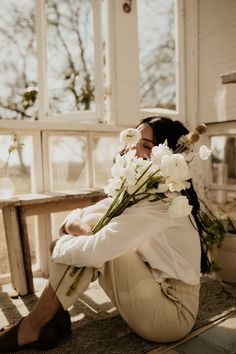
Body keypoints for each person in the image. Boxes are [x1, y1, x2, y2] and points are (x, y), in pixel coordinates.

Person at [0, 116, 206, 352]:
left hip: (173, 313)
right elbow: (82, 213)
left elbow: (97, 250)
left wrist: (59, 246)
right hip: (154, 286)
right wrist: (72, 226)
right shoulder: (141, 190)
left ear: (168, 158)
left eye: (147, 146)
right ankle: (46, 321)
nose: (134, 149)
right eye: (135, 140)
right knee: (91, 226)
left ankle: (32, 327)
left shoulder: (163, 201)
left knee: (95, 246)